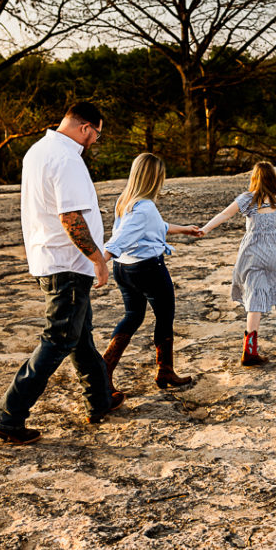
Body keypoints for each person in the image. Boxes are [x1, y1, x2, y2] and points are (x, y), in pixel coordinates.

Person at [0, 102, 122, 445]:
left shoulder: (37, 151)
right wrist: (98, 259)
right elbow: (70, 218)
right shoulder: (67, 159)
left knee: (81, 336)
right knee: (59, 339)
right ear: (85, 128)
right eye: (96, 134)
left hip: (50, 260)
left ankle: (99, 401)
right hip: (67, 264)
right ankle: (9, 417)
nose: (94, 142)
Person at [200, 161, 276, 365]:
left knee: (255, 297)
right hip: (274, 252)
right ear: (273, 179)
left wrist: (205, 229)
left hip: (252, 253)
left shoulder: (247, 199)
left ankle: (250, 350)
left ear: (254, 178)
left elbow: (224, 215)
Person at [100, 153, 202, 392]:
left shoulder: (126, 200)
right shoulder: (145, 207)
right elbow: (121, 238)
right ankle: (163, 370)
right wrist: (99, 262)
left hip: (124, 269)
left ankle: (105, 369)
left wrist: (184, 230)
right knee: (165, 316)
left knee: (133, 316)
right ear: (154, 178)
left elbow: (155, 227)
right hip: (148, 269)